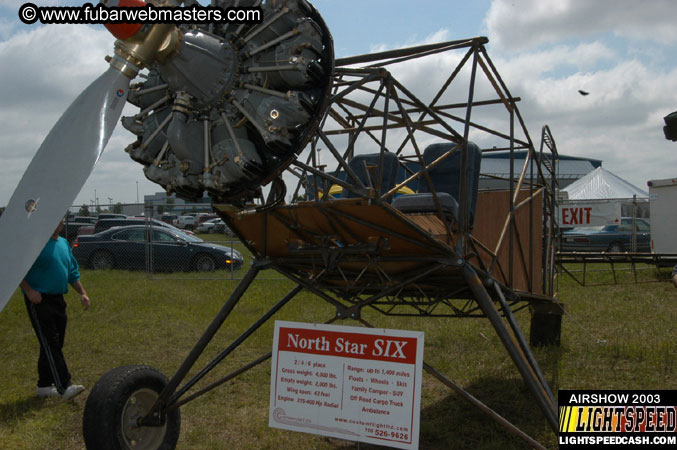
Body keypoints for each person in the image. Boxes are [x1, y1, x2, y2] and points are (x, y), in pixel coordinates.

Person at [20, 218, 91, 400]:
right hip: (39, 300)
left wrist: (82, 293)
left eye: (61, 219)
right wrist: (29, 291)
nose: (58, 222)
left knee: (55, 343)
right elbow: (18, 270)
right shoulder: (35, 244)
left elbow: (72, 273)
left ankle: (43, 386)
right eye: (55, 218)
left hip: (58, 299)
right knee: (51, 342)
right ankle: (64, 386)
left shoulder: (64, 243)